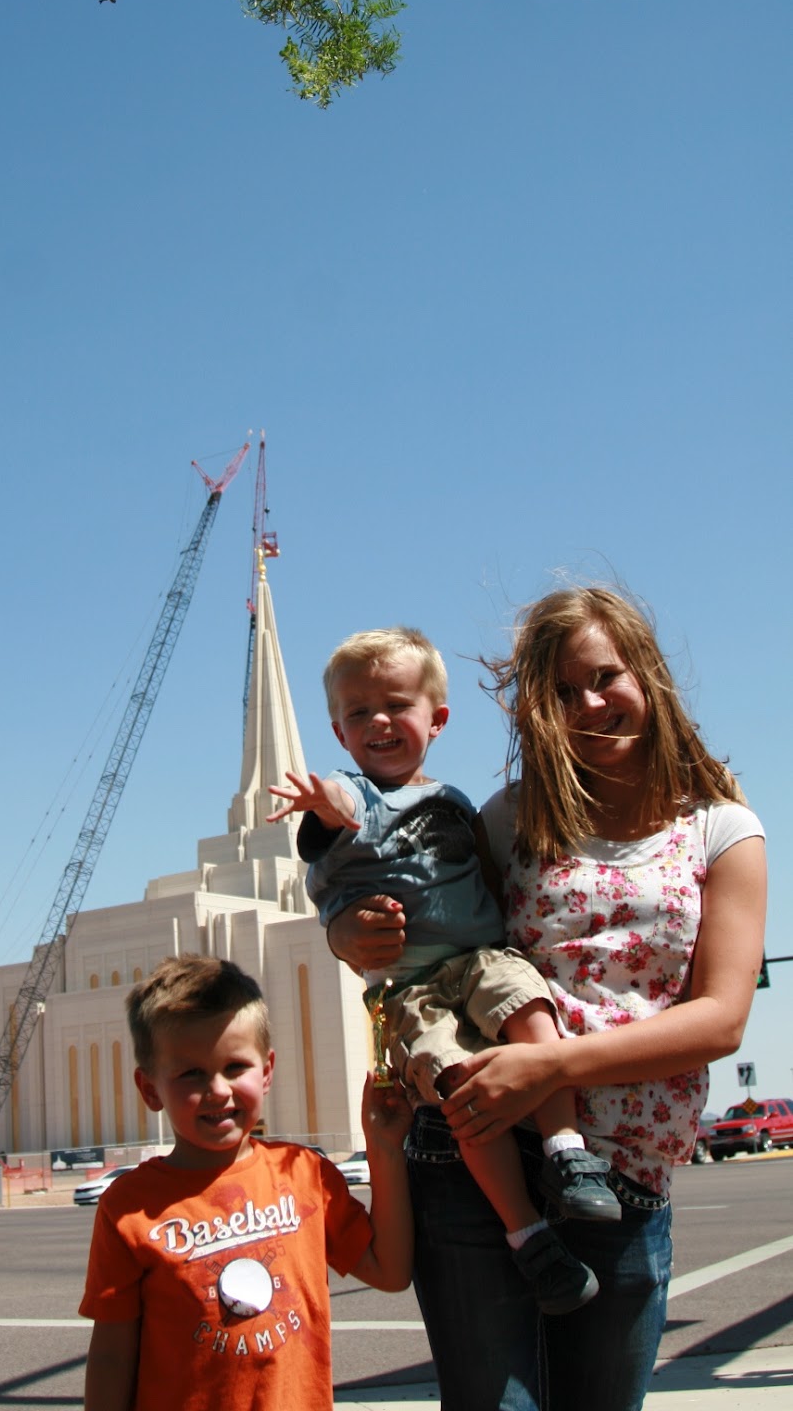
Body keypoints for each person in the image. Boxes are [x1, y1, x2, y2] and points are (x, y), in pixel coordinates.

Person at [327, 587, 767, 1411]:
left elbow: (720, 1020)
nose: (589, 705)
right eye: (561, 693)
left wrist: (547, 1067)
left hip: (622, 1176)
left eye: (604, 678)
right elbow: (437, 947)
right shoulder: (505, 820)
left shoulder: (720, 829)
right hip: (473, 1152)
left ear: (647, 674)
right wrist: (346, 933)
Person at [268, 626, 619, 1315]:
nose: (378, 721)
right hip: (413, 992)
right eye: (358, 712)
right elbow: (335, 814)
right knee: (464, 1091)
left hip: (482, 960)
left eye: (397, 705)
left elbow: (486, 874)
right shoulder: (353, 793)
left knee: (533, 1017)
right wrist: (326, 808)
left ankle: (567, 1150)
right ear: (339, 734)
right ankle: (527, 1234)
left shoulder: (457, 803)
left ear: (437, 720)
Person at [79, 953, 413, 1411]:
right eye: (191, 1073)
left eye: (235, 1067)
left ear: (267, 1071)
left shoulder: (305, 1174)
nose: (218, 1089)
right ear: (150, 1089)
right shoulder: (129, 1208)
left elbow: (390, 1271)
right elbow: (112, 1355)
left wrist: (384, 1148)